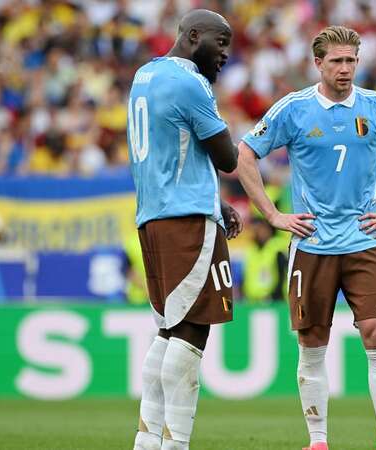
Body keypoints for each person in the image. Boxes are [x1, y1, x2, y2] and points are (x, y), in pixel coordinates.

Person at [236, 25, 376, 450]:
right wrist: (272, 214)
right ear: (318, 64)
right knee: (312, 343)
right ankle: (319, 440)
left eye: (351, 61)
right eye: (337, 61)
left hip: (365, 240)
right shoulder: (292, 110)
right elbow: (245, 154)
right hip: (311, 243)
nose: (345, 69)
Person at [127, 10, 243, 450]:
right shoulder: (189, 82)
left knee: (168, 330)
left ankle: (147, 439)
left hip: (153, 216)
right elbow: (226, 157)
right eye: (221, 42)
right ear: (194, 36)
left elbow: (169, 152)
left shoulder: (144, 76)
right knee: (193, 329)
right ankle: (176, 444)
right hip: (186, 222)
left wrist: (214, 200)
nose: (225, 54)